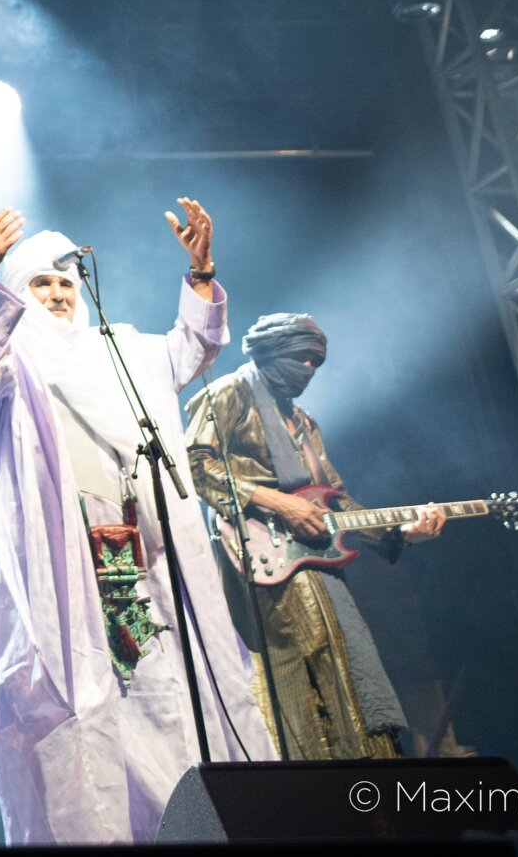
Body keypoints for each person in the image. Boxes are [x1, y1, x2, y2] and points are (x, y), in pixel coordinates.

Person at [0, 203, 274, 845]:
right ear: (17, 294)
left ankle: (186, 826)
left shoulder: (122, 351)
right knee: (87, 709)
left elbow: (193, 347)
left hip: (143, 562)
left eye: (65, 282)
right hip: (68, 567)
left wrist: (202, 271)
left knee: (163, 695)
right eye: (41, 283)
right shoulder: (14, 360)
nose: (58, 293)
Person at [186, 313, 445, 759]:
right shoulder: (229, 392)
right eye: (301, 357)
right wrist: (277, 501)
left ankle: (355, 766)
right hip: (260, 549)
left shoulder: (304, 422)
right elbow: (193, 462)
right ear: (272, 352)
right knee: (299, 655)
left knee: (342, 653)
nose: (308, 369)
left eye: (316, 362)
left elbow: (335, 500)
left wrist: (399, 531)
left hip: (313, 556)